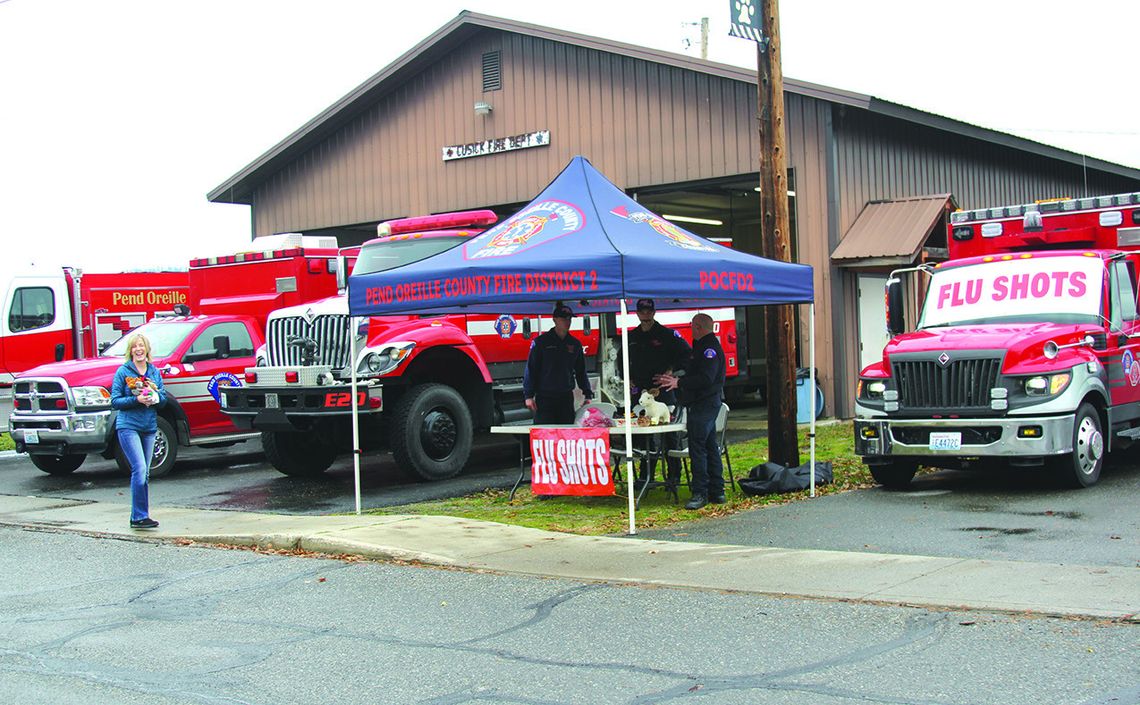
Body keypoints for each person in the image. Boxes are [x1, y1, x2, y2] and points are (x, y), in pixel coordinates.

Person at [655, 312, 726, 509]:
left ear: (698, 327)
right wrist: (677, 376)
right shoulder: (702, 346)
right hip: (703, 403)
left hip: (704, 404)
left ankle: (700, 493)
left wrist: (679, 382)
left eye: (693, 325)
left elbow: (706, 378)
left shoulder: (709, 349)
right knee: (710, 446)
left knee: (698, 448)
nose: (691, 328)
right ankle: (717, 491)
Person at [626, 298, 690, 488]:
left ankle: (674, 476)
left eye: (648, 311)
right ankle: (646, 476)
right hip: (641, 396)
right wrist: (626, 377)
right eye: (642, 311)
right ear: (637, 313)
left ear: (654, 312)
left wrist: (672, 371)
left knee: (669, 436)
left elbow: (687, 355)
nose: (645, 314)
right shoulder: (632, 337)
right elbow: (622, 361)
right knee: (644, 436)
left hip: (664, 393)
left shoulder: (667, 334)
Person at [110, 332, 166, 529]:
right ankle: (140, 516)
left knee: (145, 473)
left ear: (147, 349)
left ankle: (139, 516)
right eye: (135, 346)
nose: (139, 349)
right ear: (130, 351)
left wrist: (155, 398)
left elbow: (164, 398)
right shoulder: (123, 372)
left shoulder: (153, 372)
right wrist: (137, 400)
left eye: (141, 346)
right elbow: (115, 401)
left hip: (149, 427)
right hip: (128, 426)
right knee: (139, 468)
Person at [523, 302, 593, 424]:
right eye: (563, 319)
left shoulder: (575, 344)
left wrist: (587, 394)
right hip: (545, 398)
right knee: (545, 435)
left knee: (566, 435)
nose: (567, 322)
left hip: (565, 397)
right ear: (554, 319)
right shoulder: (541, 342)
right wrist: (528, 396)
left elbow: (581, 371)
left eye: (569, 318)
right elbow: (531, 369)